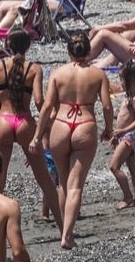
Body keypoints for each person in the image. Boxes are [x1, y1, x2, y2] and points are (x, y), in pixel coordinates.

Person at [0, 28, 62, 230]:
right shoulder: (34, 69)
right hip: (25, 123)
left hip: (3, 122)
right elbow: (40, 102)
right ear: (28, 46)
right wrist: (47, 125)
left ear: (8, 45)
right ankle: (64, 230)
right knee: (44, 179)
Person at [39, 30, 113, 249]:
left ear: (68, 51)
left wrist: (37, 135)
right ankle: (67, 236)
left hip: (61, 124)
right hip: (85, 123)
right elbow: (107, 106)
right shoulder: (98, 75)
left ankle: (64, 229)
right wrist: (109, 129)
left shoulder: (57, 73)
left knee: (63, 182)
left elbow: (47, 106)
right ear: (89, 50)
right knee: (76, 185)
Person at [109, 63, 135, 209]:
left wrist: (122, 131)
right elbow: (125, 118)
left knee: (114, 167)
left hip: (129, 137)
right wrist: (116, 134)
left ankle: (128, 196)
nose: (121, 83)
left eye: (123, 79)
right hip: (126, 136)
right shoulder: (128, 97)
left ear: (133, 81)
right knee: (133, 169)